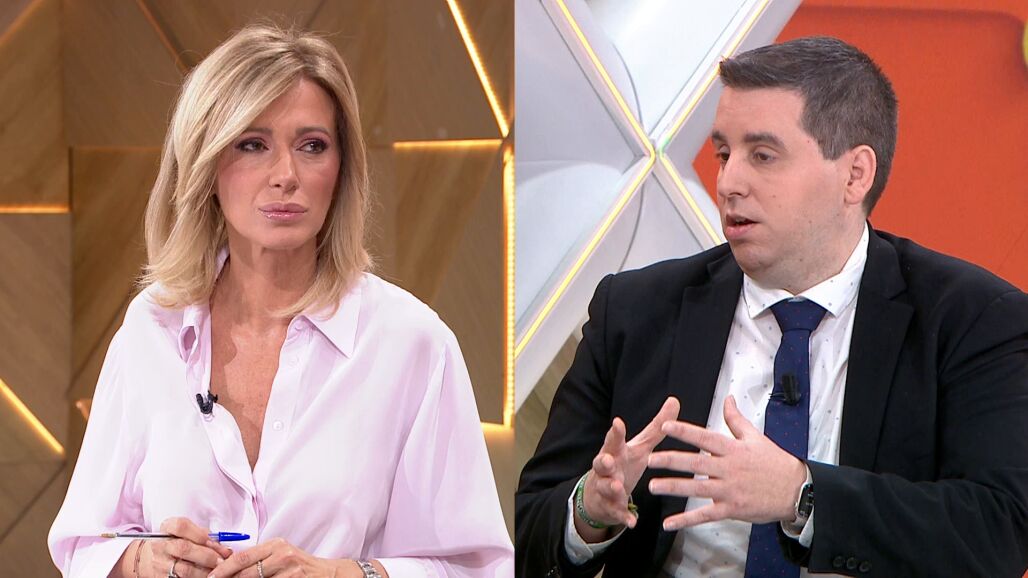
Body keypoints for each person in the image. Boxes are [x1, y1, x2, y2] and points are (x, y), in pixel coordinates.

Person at [516, 36, 1028, 578]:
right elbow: (526, 530)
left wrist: (801, 496)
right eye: (723, 154)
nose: (728, 183)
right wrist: (588, 514)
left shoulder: (973, 320)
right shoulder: (635, 310)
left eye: (762, 156)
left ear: (855, 175)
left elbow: (1000, 529)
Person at [49, 24, 513, 578]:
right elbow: (84, 545)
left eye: (312, 146)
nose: (286, 176)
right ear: (206, 165)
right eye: (253, 145)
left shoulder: (412, 342)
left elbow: (474, 568)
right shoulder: (153, 327)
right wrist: (145, 561)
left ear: (341, 170)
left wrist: (344, 575)